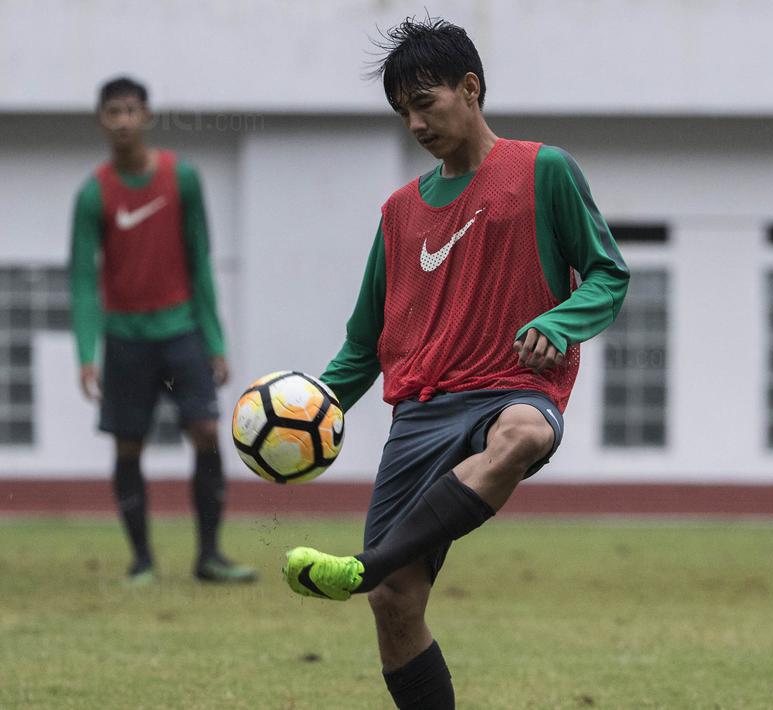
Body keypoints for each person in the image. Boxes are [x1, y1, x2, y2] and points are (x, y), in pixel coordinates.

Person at [280, 18, 630, 708]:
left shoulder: (542, 170)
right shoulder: (400, 211)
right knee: (393, 602)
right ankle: (373, 571)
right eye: (402, 111)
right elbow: (364, 344)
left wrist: (558, 321)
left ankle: (362, 563)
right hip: (420, 413)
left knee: (524, 436)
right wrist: (309, 410)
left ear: (469, 89)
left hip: (513, 388)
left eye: (424, 102)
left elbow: (607, 274)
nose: (413, 122)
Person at [69, 76, 256, 586]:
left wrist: (215, 341)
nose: (124, 121)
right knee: (128, 445)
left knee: (205, 430)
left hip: (181, 333)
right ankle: (142, 561)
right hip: (126, 339)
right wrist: (86, 353)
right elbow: (84, 281)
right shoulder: (93, 194)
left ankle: (210, 555)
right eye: (114, 112)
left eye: (132, 110)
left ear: (147, 116)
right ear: (101, 121)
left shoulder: (182, 179)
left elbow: (200, 262)